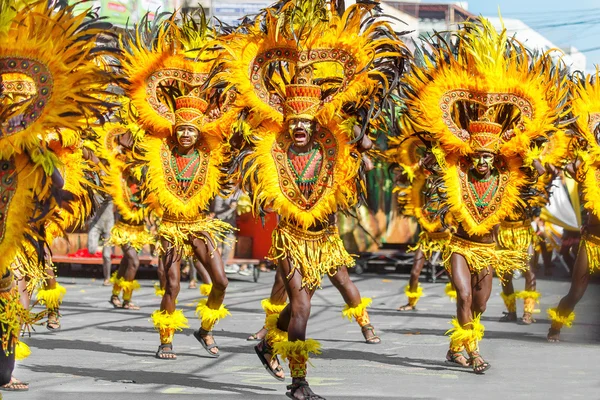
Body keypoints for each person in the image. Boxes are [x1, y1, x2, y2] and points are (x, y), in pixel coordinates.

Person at [226, 2, 406, 397]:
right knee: (302, 307)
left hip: (325, 240)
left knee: (299, 304)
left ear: (316, 124)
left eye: (308, 123)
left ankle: (267, 343)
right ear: (288, 124)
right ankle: (299, 383)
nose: (302, 128)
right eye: (296, 124)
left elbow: (362, 139)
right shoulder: (273, 149)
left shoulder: (333, 146)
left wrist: (360, 109)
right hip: (291, 240)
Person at [397, 17, 567, 373]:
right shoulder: (456, 168)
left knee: (479, 305)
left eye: (490, 157)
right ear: (472, 156)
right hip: (460, 244)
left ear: (497, 158)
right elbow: (430, 164)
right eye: (479, 156)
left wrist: (530, 153)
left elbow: (536, 171)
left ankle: (455, 347)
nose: (484, 162)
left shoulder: (509, 173)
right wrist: (430, 159)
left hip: (489, 248)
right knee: (462, 295)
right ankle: (473, 352)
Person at [119, 11, 238, 359]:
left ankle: (205, 330)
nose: (186, 133)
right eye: (181, 129)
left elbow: (236, 125)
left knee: (221, 281)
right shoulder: (160, 148)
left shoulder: (211, 150)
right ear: (174, 129)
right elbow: (135, 126)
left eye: (192, 129)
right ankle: (166, 339)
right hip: (170, 227)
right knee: (170, 283)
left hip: (200, 225)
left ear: (200, 132)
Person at [547, 69, 600, 343]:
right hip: (593, 241)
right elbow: (562, 162)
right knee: (576, 293)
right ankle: (556, 324)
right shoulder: (588, 167)